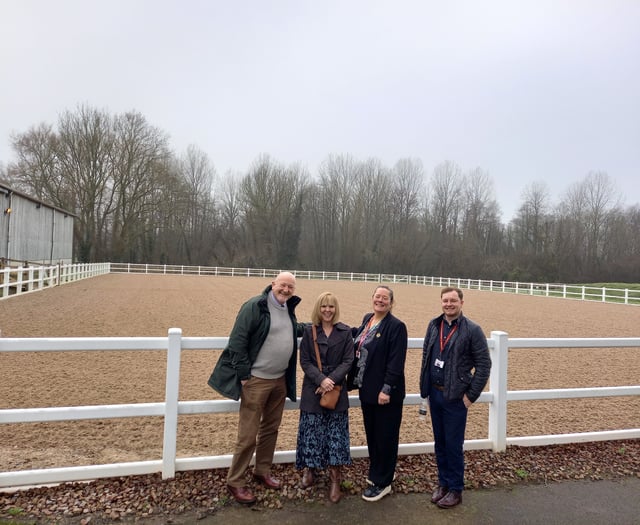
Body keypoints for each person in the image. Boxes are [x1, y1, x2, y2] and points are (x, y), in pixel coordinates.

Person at [208, 271, 303, 505]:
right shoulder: (254, 306)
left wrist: (317, 326)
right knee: (248, 435)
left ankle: (262, 471)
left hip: (279, 380)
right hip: (256, 381)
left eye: (291, 287)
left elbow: (291, 330)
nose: (286, 290)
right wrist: (243, 375)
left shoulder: (286, 308)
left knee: (271, 429)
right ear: (273, 284)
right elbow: (237, 341)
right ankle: (236, 482)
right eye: (283, 285)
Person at [419, 286, 491, 509]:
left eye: (453, 301)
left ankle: (456, 489)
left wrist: (471, 396)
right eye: (445, 301)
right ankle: (443, 484)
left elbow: (484, 364)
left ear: (461, 303)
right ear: (441, 303)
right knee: (440, 443)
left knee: (453, 444)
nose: (449, 304)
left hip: (456, 398)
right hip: (435, 394)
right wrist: (425, 390)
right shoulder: (434, 325)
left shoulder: (472, 330)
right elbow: (426, 356)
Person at [296, 291, 354, 503]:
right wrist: (321, 380)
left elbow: (348, 361)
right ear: (318, 309)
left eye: (331, 306)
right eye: (323, 306)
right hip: (314, 388)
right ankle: (310, 470)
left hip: (336, 390)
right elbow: (305, 361)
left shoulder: (345, 332)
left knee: (336, 436)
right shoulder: (309, 331)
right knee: (312, 431)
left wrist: (331, 381)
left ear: (335, 309)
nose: (327, 310)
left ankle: (335, 479)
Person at [351, 285, 407, 502]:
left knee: (386, 437)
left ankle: (383, 483)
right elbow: (356, 337)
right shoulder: (368, 319)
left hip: (385, 394)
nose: (380, 300)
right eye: (377, 297)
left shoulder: (396, 327)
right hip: (367, 390)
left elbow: (396, 362)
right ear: (372, 299)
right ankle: (378, 473)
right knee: (373, 435)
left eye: (385, 298)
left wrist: (386, 390)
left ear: (391, 303)